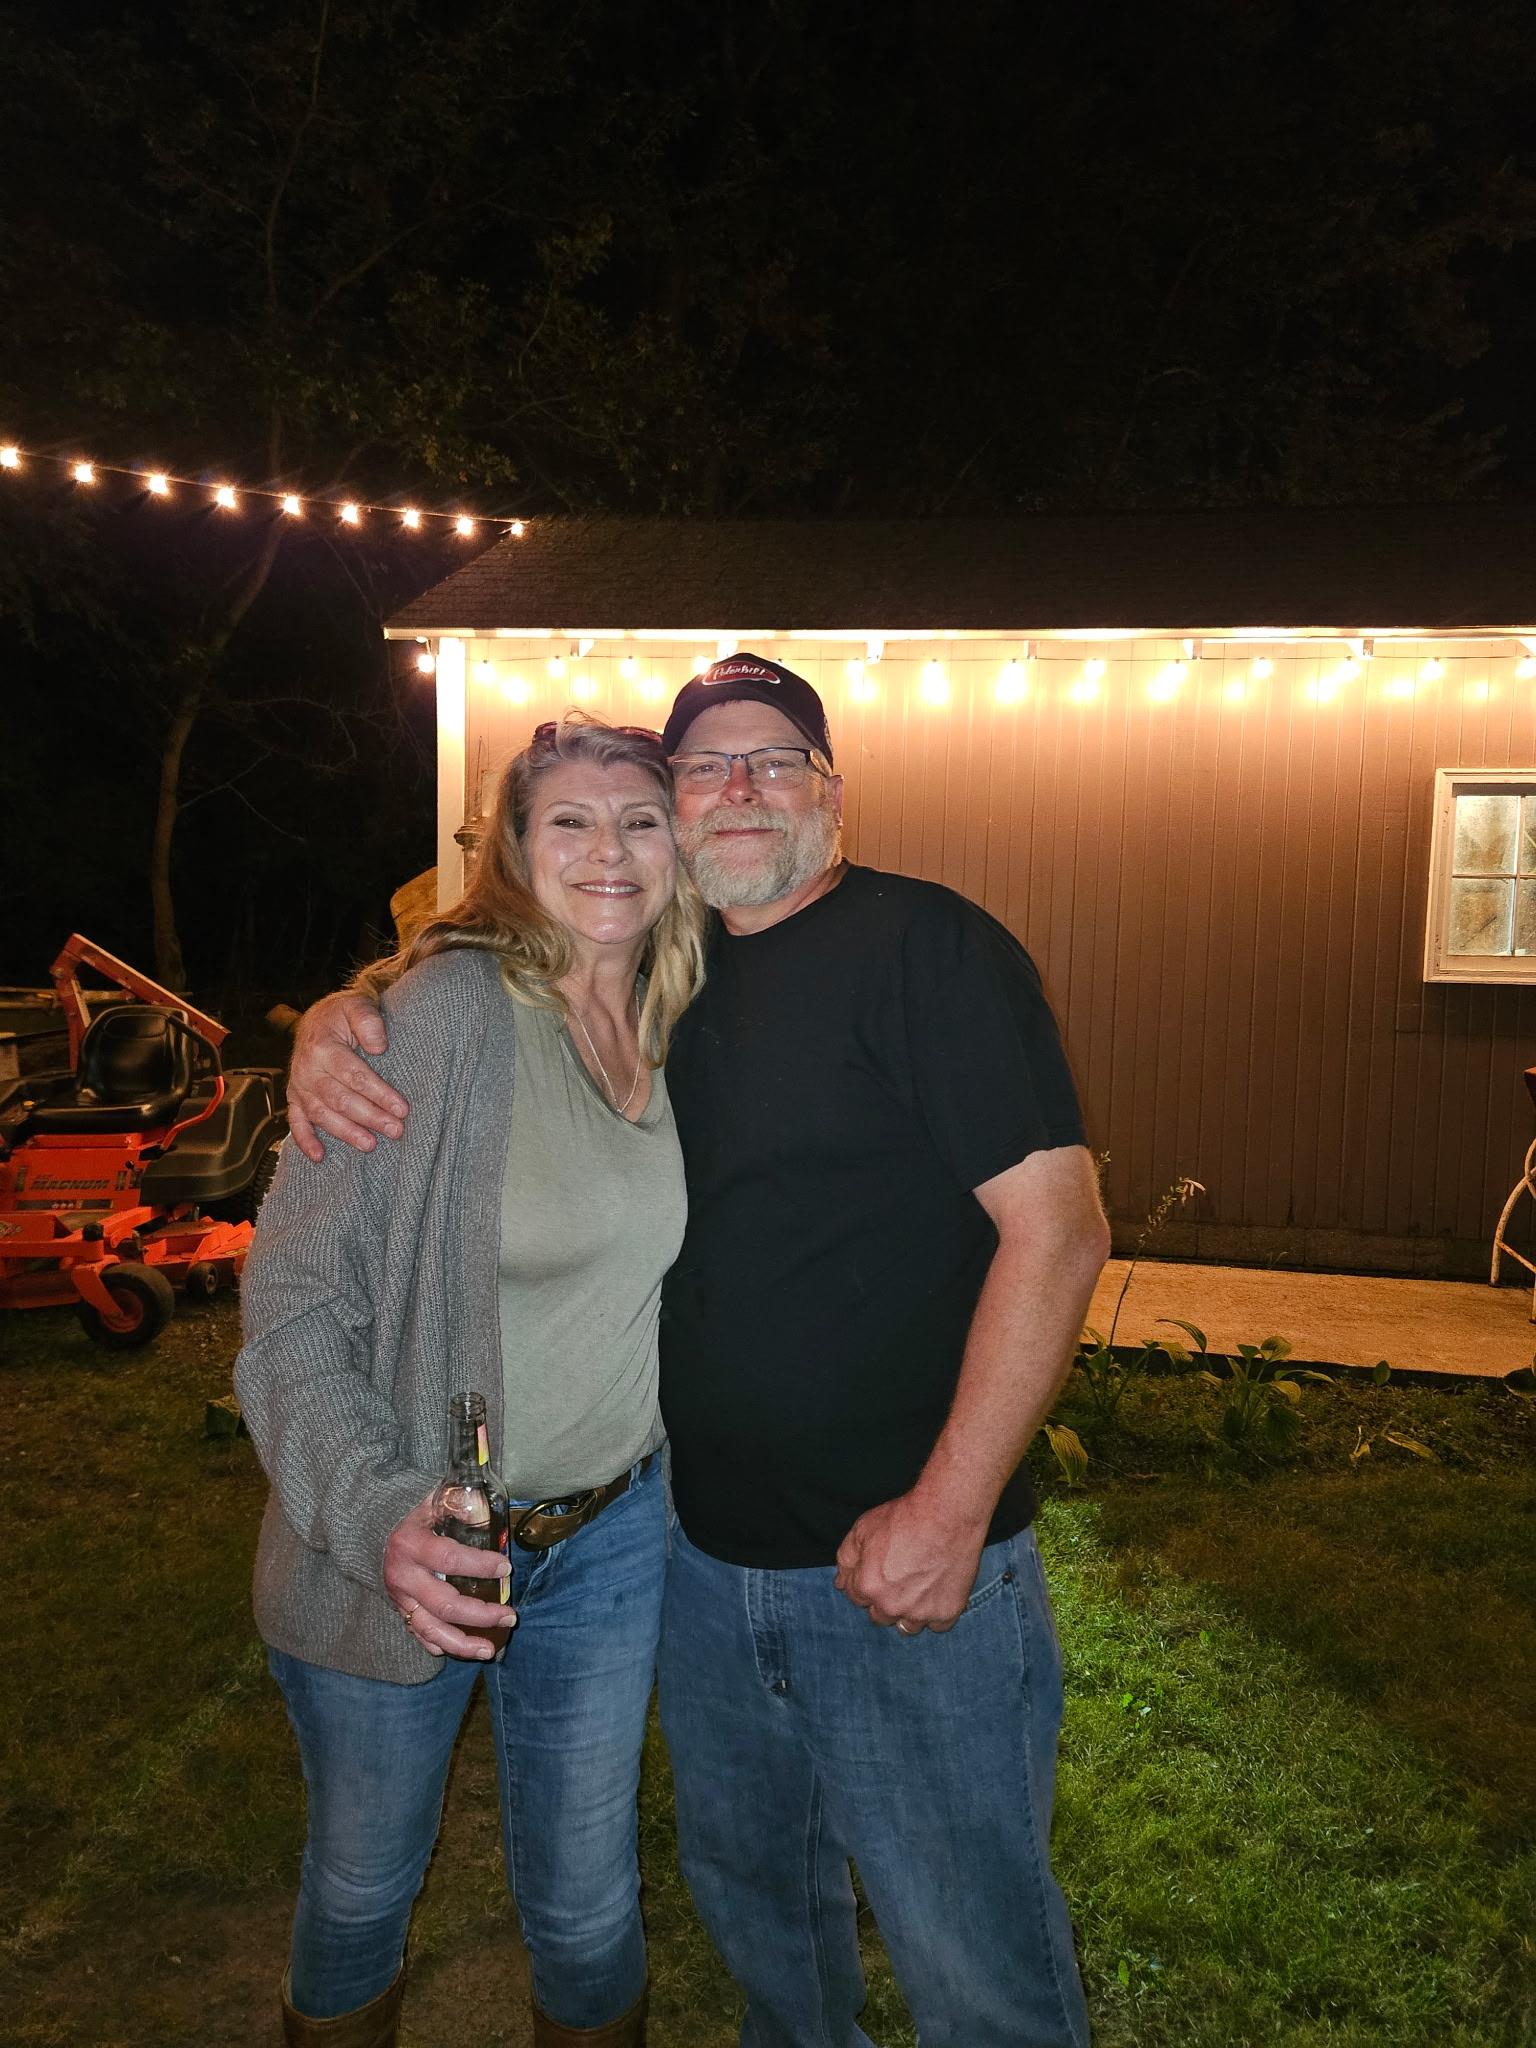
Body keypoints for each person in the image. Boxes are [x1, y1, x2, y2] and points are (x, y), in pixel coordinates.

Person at [288, 655, 1110, 2048]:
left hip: (901, 1578)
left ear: (830, 795)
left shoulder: (930, 950)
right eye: (705, 768)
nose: (740, 790)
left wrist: (950, 1510)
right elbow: (494, 970)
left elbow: (1063, 1232)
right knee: (763, 1935)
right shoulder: (667, 971)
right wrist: (342, 1012)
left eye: (775, 760)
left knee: (971, 1956)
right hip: (702, 1575)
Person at [236, 714, 706, 2048]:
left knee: (587, 1899)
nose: (609, 848)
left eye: (640, 819)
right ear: (510, 848)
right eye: (570, 819)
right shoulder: (438, 1021)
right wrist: (378, 1505)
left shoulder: (687, 1021)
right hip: (405, 1538)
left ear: (680, 848)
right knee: (363, 1887)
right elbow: (291, 1305)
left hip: (609, 1534)